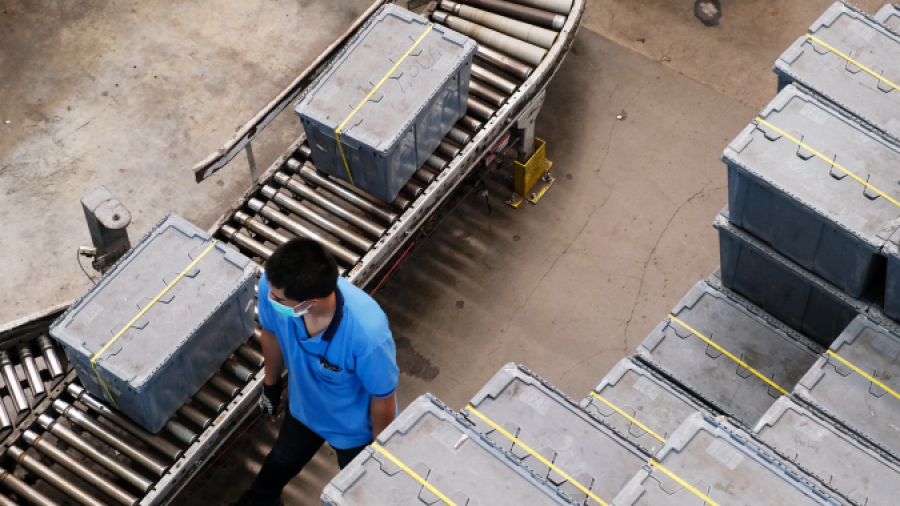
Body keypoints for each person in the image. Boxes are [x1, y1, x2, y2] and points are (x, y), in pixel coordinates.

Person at [232, 238, 399, 506]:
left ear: (313, 301)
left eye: (279, 299)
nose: (269, 297)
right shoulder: (274, 286)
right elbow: (271, 334)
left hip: (355, 430)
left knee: (361, 493)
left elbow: (383, 398)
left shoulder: (368, 334)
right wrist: (271, 386)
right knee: (277, 467)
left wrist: (379, 455)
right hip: (304, 410)